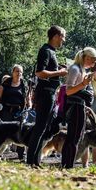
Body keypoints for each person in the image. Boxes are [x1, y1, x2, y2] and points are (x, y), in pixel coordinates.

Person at [27, 25, 68, 168]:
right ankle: (30, 161)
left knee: (44, 128)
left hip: (50, 93)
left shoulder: (52, 52)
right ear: (56, 36)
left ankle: (35, 161)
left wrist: (58, 70)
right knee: (39, 128)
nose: (64, 40)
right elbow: (40, 72)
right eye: (63, 36)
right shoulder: (45, 50)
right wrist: (59, 73)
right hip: (45, 93)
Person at [61, 47, 96, 169]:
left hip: (80, 106)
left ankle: (68, 164)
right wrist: (83, 85)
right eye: (93, 60)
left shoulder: (81, 70)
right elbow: (68, 91)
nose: (93, 64)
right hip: (75, 107)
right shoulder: (75, 68)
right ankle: (67, 165)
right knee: (73, 137)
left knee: (77, 137)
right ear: (86, 57)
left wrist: (87, 89)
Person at [0, 64, 27, 159]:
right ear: (12, 72)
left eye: (21, 71)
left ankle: (21, 155)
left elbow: (26, 97)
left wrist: (27, 105)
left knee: (20, 132)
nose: (19, 73)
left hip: (18, 112)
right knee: (3, 132)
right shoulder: (6, 83)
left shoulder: (23, 84)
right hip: (6, 111)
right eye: (17, 71)